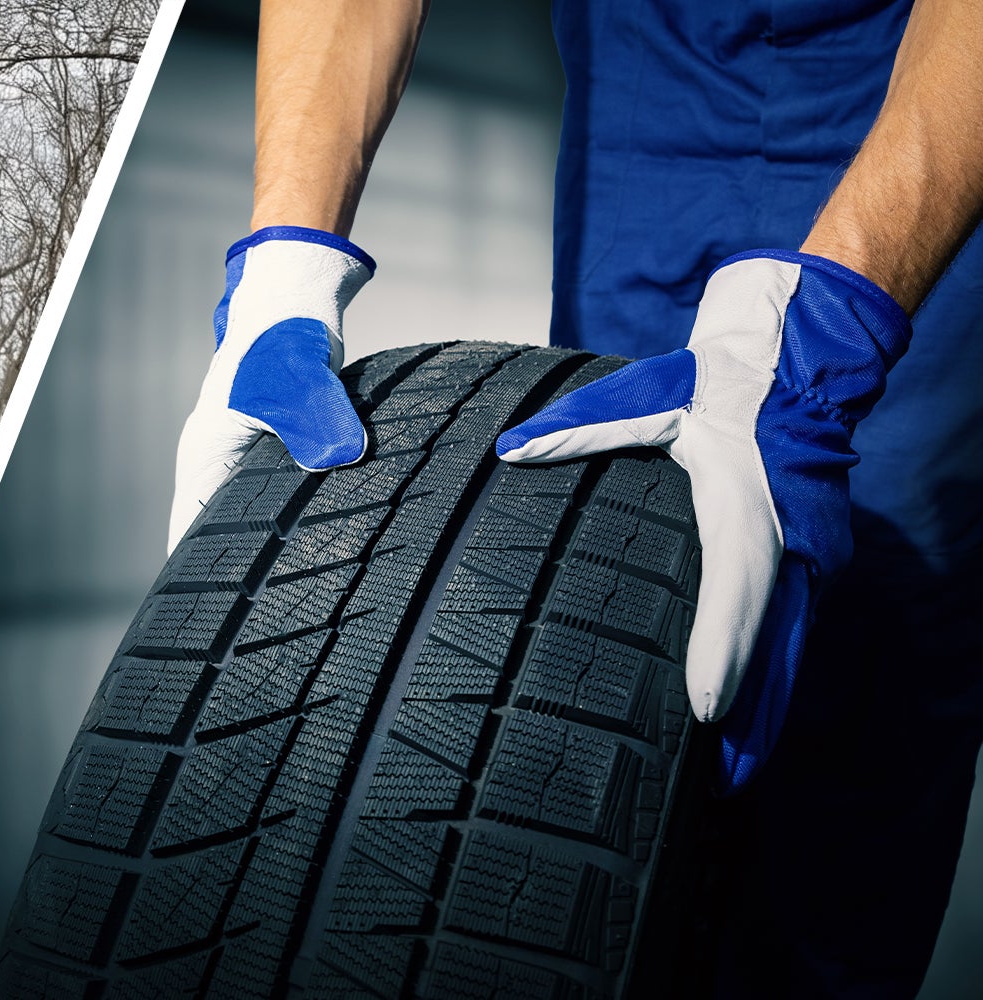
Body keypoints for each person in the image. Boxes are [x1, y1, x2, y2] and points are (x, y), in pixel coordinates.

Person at [169, 0, 982, 995]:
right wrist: (281, 269)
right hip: (650, 99)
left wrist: (829, 335)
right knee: (603, 623)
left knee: (856, 661)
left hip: (922, 90)